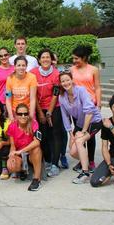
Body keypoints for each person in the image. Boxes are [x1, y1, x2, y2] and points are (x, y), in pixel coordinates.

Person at [58, 70, 102, 184]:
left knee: (80, 141)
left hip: (93, 120)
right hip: (80, 123)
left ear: (72, 80)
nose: (65, 82)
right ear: (60, 83)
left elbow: (89, 112)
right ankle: (86, 162)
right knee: (72, 152)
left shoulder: (81, 90)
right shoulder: (62, 97)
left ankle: (85, 172)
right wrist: (70, 134)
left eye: (67, 80)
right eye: (63, 81)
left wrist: (83, 131)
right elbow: (65, 117)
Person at [30, 48, 63, 177]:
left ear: (51, 59)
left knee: (56, 135)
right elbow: (34, 94)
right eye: (43, 57)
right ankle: (48, 161)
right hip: (39, 107)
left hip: (54, 107)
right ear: (39, 60)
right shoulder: (33, 73)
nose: (45, 60)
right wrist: (41, 113)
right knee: (43, 136)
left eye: (48, 57)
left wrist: (49, 112)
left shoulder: (56, 74)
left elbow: (55, 94)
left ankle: (55, 164)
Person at [70, 45, 102, 171]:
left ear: (84, 58)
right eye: (73, 58)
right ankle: (83, 159)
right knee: (79, 132)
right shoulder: (72, 70)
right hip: (77, 108)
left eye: (76, 58)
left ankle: (92, 161)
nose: (74, 61)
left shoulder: (93, 69)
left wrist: (98, 102)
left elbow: (97, 87)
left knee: (90, 135)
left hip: (91, 106)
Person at [7, 103, 43, 191]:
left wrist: (21, 151)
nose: (23, 116)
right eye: (20, 114)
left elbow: (37, 142)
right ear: (16, 115)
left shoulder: (33, 123)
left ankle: (37, 180)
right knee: (11, 165)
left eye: (25, 114)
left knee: (37, 149)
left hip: (31, 154)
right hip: (20, 155)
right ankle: (22, 170)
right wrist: (12, 155)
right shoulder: (12, 126)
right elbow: (12, 146)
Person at [5, 56, 37, 121]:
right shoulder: (9, 79)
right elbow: (8, 99)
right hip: (15, 111)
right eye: (19, 65)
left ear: (26, 66)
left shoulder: (32, 77)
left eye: (23, 65)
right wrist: (11, 116)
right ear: (15, 67)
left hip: (28, 111)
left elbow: (32, 99)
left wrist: (31, 116)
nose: (21, 67)